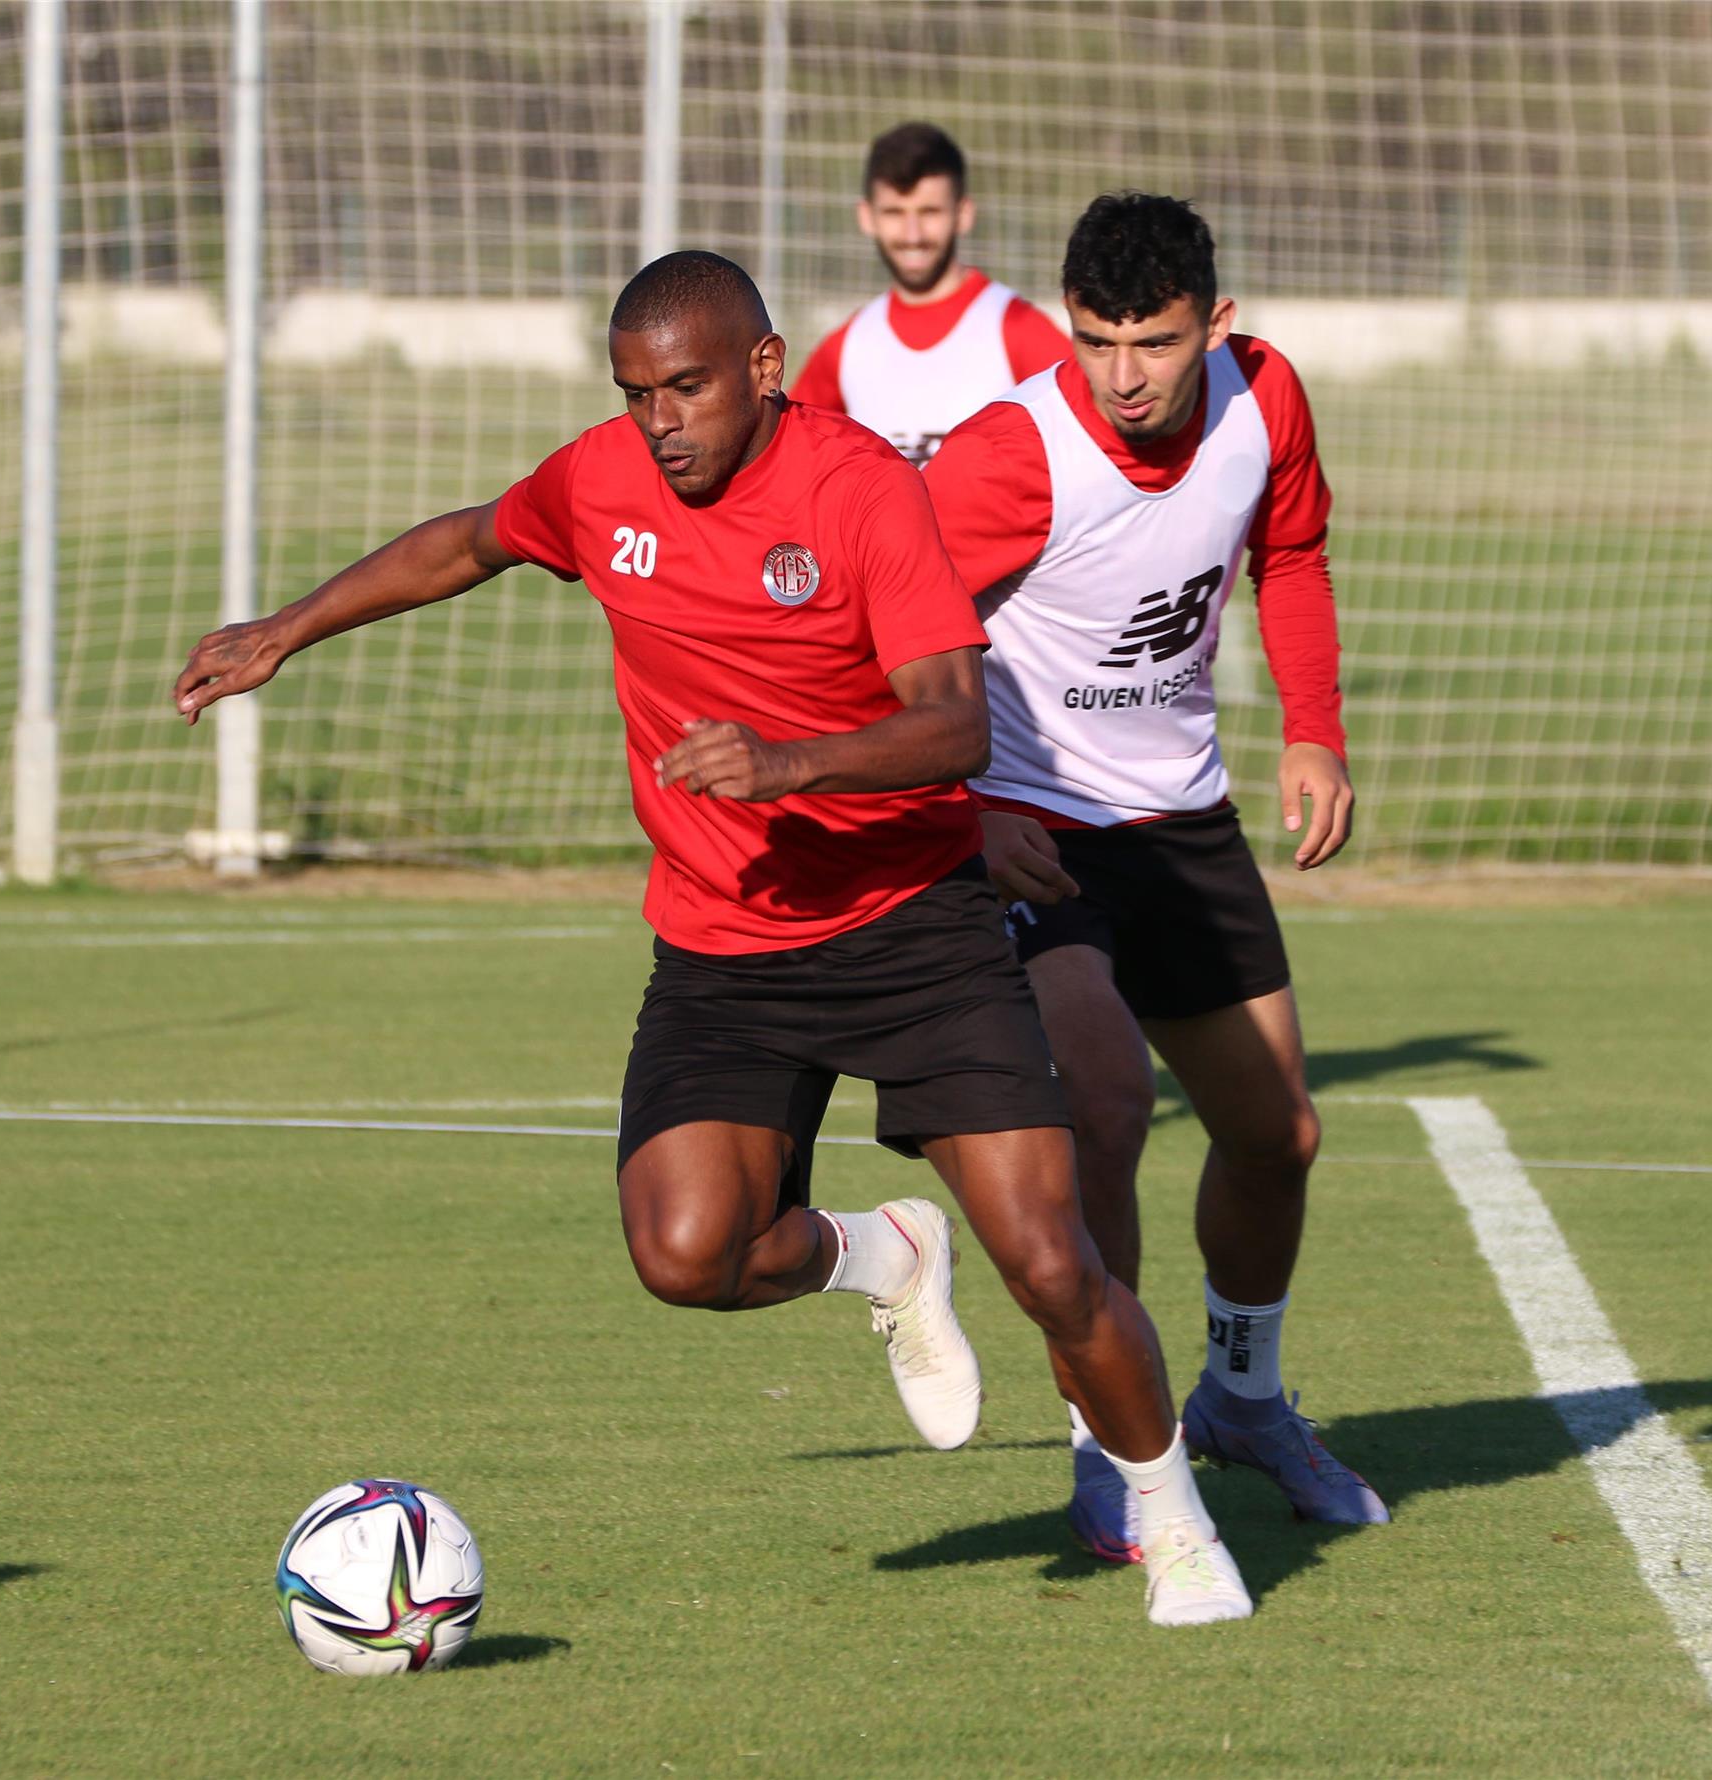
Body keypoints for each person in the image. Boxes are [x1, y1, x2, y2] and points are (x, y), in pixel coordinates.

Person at [174, 250, 1252, 1626]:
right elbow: (468, 541)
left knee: (1051, 1263)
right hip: (726, 950)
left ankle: (1172, 1522)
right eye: (635, 394)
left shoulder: (864, 493)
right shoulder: (603, 482)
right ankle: (885, 1258)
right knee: (686, 1256)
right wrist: (287, 628)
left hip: (913, 927)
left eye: (684, 386)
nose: (658, 420)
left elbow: (955, 723)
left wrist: (789, 765)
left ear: (764, 366)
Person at [922, 195, 1388, 1565]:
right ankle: (1115, 1450)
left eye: (1155, 343)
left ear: (1217, 325)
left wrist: (1313, 726)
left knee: (1277, 1135)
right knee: (1107, 1107)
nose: (1122, 374)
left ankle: (1241, 1401)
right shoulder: (1012, 454)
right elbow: (883, 630)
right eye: (1096, 341)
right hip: (1032, 826)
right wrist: (958, 808)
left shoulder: (1267, 399)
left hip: (1182, 823)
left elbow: (1290, 554)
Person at [789, 121, 1069, 466]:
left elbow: (1081, 446)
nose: (913, 234)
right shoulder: (845, 346)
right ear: (867, 217)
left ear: (963, 214)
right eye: (894, 213)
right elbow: (792, 460)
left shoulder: (1017, 327)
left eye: (929, 212)